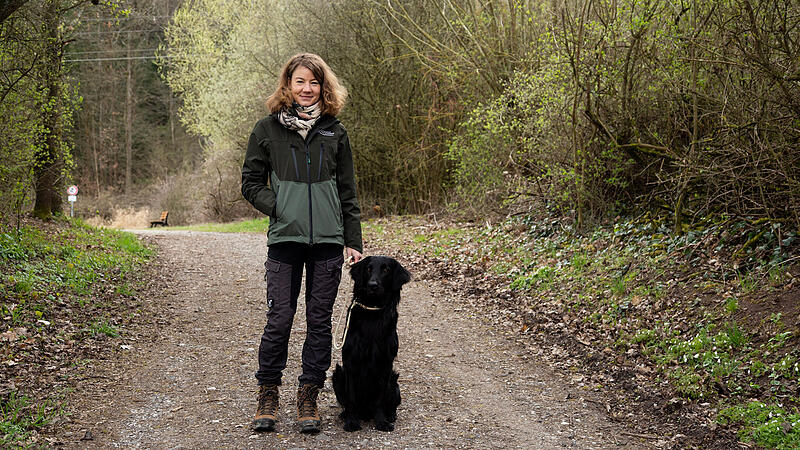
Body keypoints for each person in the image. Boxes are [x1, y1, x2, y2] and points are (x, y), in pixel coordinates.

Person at [241, 53, 363, 434]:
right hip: (285, 240)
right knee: (279, 319)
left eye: (314, 83)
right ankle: (268, 394)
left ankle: (308, 396)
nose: (307, 89)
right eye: (300, 82)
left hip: (328, 241)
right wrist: (278, 206)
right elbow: (250, 182)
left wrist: (352, 239)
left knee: (319, 321)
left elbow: (347, 191)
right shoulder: (266, 130)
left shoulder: (335, 132)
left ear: (323, 88)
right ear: (287, 85)